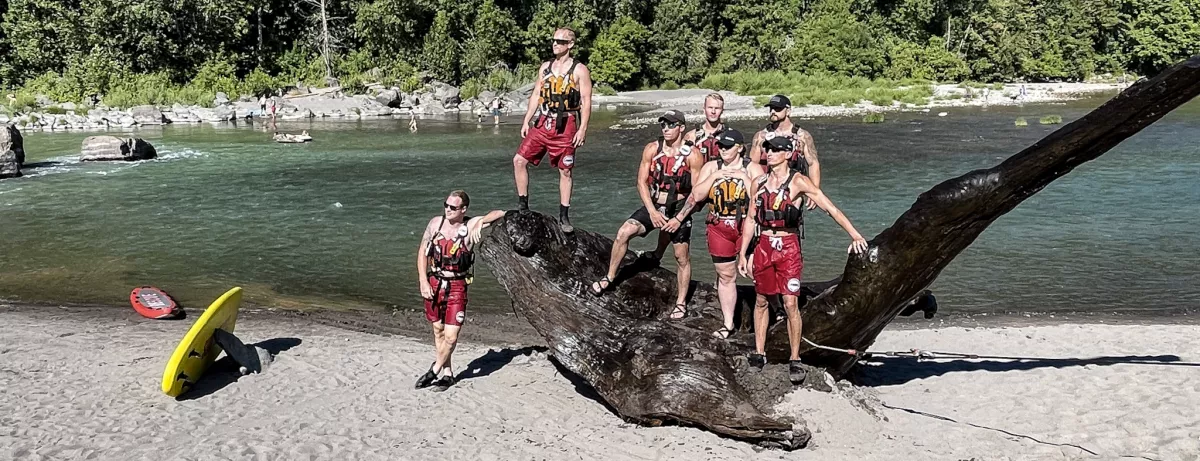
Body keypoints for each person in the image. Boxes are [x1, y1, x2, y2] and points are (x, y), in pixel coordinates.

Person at [737, 136, 868, 384]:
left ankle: (795, 358)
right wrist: (743, 253)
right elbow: (752, 220)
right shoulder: (759, 183)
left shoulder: (799, 181)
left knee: (789, 302)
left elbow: (830, 208)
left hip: (788, 248)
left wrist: (854, 235)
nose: (770, 154)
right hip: (764, 245)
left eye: (776, 150)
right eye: (768, 150)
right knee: (762, 300)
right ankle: (759, 352)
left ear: (787, 154)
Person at [589, 110, 703, 319]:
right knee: (624, 232)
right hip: (654, 205)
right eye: (663, 125)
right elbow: (641, 182)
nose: (666, 129)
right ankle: (610, 276)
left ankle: (680, 303)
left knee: (681, 256)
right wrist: (651, 211)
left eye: (671, 125)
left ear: (681, 128)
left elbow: (697, 192)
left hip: (678, 208)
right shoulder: (652, 149)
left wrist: (679, 218)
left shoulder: (693, 155)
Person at [668, 128, 762, 338]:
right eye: (720, 146)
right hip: (719, 226)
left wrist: (743, 178)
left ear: (739, 148)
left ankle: (773, 311)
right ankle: (728, 323)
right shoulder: (711, 166)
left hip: (745, 226)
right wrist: (717, 176)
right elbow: (697, 194)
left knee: (756, 271)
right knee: (726, 275)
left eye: (728, 146)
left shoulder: (752, 168)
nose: (722, 150)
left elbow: (762, 196)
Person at [415, 190, 505, 390]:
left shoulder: (469, 225)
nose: (448, 210)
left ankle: (435, 369)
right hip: (435, 282)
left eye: (453, 207)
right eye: (446, 205)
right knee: (438, 330)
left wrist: (480, 223)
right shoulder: (435, 224)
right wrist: (423, 280)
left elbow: (500, 213)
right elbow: (422, 251)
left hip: (457, 285)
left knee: (451, 336)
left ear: (463, 209)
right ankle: (448, 373)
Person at [513, 27, 593, 233]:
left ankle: (564, 216)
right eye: (554, 40)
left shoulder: (579, 70)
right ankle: (523, 206)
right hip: (543, 122)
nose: (555, 44)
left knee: (565, 170)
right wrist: (526, 120)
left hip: (565, 124)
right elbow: (537, 94)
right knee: (519, 160)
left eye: (560, 41)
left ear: (571, 45)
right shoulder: (545, 67)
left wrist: (582, 128)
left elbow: (585, 100)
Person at [749, 95, 820, 191]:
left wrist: (815, 191)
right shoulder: (760, 136)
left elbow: (813, 163)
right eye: (771, 108)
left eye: (777, 109)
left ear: (788, 111)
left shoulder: (802, 136)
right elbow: (753, 164)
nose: (773, 112)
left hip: (794, 187)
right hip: (768, 187)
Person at [685, 93, 728, 163]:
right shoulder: (691, 136)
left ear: (722, 110)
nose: (713, 112)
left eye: (717, 108)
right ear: (704, 109)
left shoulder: (730, 135)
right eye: (710, 107)